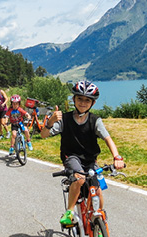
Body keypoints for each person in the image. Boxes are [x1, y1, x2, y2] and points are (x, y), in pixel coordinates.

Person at [40, 80, 125, 225]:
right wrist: (50, 121)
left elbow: (108, 139)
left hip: (90, 160)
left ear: (92, 103)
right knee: (79, 178)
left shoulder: (95, 121)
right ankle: (70, 213)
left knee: (97, 189)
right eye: (80, 99)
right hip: (71, 157)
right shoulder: (64, 119)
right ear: (74, 99)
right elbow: (43, 135)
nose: (83, 103)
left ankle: (98, 217)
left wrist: (117, 157)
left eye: (87, 100)